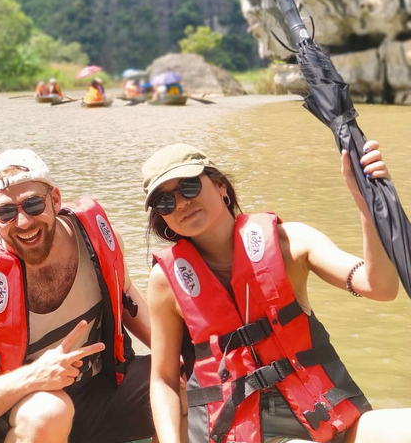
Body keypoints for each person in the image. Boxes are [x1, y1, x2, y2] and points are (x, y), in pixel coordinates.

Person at [142, 142, 411, 443]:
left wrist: (366, 203)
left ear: (220, 186)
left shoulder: (290, 242)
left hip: (325, 418)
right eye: (165, 202)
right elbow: (164, 379)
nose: (179, 203)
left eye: (188, 187)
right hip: (239, 433)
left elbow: (381, 287)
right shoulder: (164, 282)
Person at [0, 149, 154, 443]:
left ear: (56, 200)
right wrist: (35, 376)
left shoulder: (96, 239)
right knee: (49, 412)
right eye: (7, 212)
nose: (23, 222)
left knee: (180, 376)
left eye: (33, 204)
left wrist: (181, 352)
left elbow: (126, 293)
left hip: (100, 393)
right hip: (23, 418)